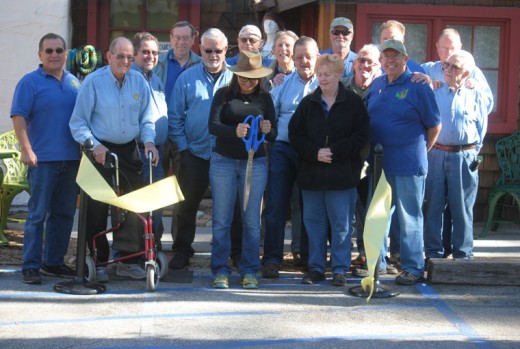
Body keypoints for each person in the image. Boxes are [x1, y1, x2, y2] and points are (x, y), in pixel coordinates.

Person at [69, 37, 159, 282]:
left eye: (130, 57)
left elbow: (147, 119)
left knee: (132, 207)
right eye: (121, 56)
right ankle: (98, 260)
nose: (126, 62)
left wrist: (149, 141)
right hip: (100, 151)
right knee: (96, 209)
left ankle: (128, 261)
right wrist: (94, 145)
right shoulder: (93, 83)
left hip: (129, 150)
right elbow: (78, 123)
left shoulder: (138, 80)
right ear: (108, 56)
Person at [289, 54, 370, 286]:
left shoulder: (353, 103)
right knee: (314, 224)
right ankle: (316, 268)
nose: (323, 79)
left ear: (338, 75)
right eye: (320, 74)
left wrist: (335, 152)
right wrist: (315, 152)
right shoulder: (308, 104)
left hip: (342, 175)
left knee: (342, 225)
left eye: (328, 75)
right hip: (312, 175)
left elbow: (361, 136)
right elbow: (295, 135)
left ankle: (340, 268)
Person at [365, 39, 441, 285]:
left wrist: (421, 150)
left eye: (395, 56)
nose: (390, 60)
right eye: (386, 56)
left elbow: (434, 125)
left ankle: (413, 267)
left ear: (405, 59)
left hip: (408, 164)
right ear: (381, 60)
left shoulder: (418, 85)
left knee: (409, 218)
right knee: (378, 216)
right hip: (379, 164)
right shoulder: (376, 85)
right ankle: (378, 265)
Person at [10, 33, 80, 285]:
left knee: (63, 214)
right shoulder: (29, 82)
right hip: (42, 161)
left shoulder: (74, 83)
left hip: (72, 160)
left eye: (59, 50)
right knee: (37, 214)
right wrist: (26, 149)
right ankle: (30, 265)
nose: (54, 55)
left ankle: (53, 263)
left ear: (66, 53)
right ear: (40, 55)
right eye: (48, 51)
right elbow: (18, 117)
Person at [419, 28, 493, 258]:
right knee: (434, 207)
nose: (448, 70)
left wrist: (472, 153)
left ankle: (463, 253)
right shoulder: (435, 89)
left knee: (461, 208)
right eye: (446, 65)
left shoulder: (476, 93)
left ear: (467, 73)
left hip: (464, 155)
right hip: (437, 153)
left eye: (455, 67)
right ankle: (433, 252)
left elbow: (482, 125)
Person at [208, 51, 277, 289]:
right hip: (223, 161)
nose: (248, 83)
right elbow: (213, 126)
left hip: (254, 162)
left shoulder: (265, 99)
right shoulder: (223, 95)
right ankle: (220, 269)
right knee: (222, 219)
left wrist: (268, 129)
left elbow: (274, 132)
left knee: (251, 220)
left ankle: (249, 270)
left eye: (253, 79)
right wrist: (233, 131)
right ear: (236, 75)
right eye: (244, 78)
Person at [168, 28, 233, 269]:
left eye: (218, 50)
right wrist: (184, 150)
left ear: (226, 50)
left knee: (228, 208)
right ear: (201, 50)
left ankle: (229, 252)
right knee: (186, 206)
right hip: (194, 153)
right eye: (208, 50)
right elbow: (175, 118)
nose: (213, 54)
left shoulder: (236, 79)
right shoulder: (186, 78)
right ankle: (182, 250)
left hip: (226, 155)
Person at [262, 36, 320, 279]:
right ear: (292, 60)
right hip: (284, 150)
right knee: (276, 205)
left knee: (310, 206)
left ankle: (309, 258)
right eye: (299, 57)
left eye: (308, 56)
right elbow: (269, 116)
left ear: (317, 56)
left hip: (312, 154)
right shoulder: (283, 86)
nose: (304, 61)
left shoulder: (326, 83)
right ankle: (272, 259)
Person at [154, 21, 201, 245]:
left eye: (186, 37)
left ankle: (181, 245)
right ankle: (152, 241)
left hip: (186, 136)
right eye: (177, 37)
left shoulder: (201, 64)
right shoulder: (157, 62)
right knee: (154, 188)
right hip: (159, 133)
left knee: (184, 192)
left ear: (194, 40)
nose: (182, 42)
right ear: (171, 39)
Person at [131, 32, 168, 250]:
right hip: (138, 151)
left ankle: (151, 249)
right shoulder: (129, 78)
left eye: (154, 52)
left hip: (157, 151)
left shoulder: (156, 80)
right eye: (145, 52)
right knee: (139, 206)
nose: (150, 56)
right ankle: (134, 252)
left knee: (156, 204)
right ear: (134, 53)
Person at [421, 28, 493, 113]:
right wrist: (426, 85)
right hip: (432, 124)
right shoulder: (426, 70)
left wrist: (475, 89)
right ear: (437, 47)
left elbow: (487, 106)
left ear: (460, 48)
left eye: (453, 48)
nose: (449, 52)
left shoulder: (472, 71)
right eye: (445, 48)